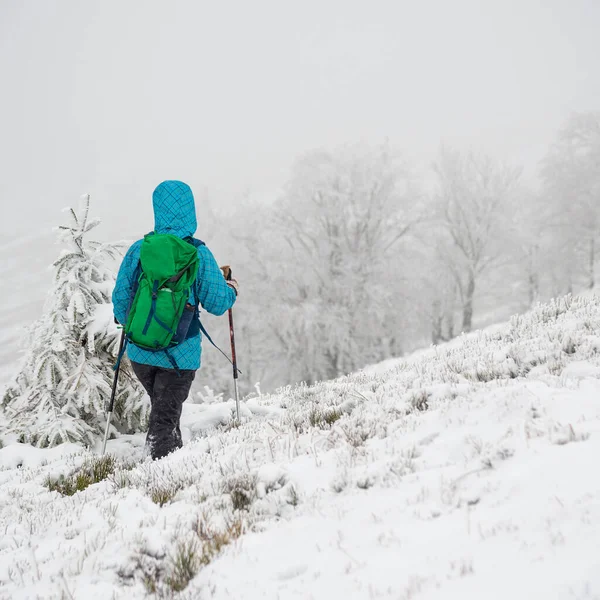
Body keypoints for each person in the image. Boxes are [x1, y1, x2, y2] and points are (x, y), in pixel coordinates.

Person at [112, 180, 237, 459]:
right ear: (190, 211)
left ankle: (167, 463)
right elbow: (218, 303)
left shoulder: (139, 249)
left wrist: (139, 331)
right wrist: (232, 289)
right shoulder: (197, 253)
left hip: (140, 353)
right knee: (163, 425)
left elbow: (121, 300)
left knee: (163, 413)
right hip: (179, 356)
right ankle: (162, 479)